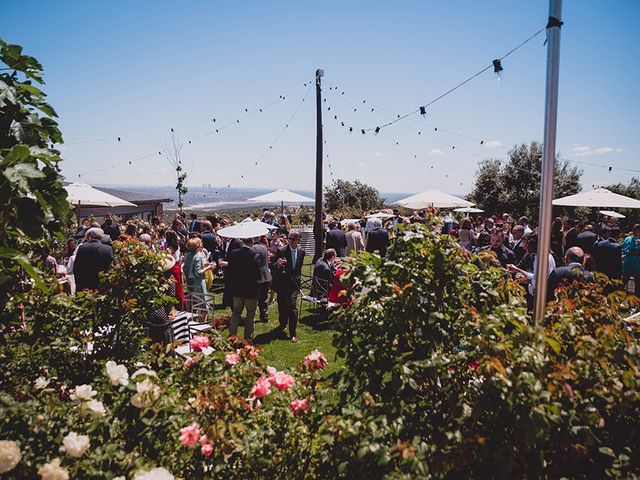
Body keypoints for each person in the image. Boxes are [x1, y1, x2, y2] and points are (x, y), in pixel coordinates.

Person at [271, 231, 305, 342]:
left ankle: (293, 333)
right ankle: (283, 322)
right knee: (282, 305)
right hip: (282, 283)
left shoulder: (301, 252)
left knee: (292, 307)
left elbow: (298, 269)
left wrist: (298, 281)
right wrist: (278, 264)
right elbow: (273, 265)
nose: (290, 241)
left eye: (293, 239)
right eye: (289, 238)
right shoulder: (281, 251)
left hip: (294, 284)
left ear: (298, 240)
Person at [226, 237, 260, 341]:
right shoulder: (255, 255)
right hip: (250, 290)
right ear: (252, 241)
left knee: (236, 313)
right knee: (250, 315)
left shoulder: (234, 253)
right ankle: (248, 338)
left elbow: (229, 270)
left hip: (237, 289)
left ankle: (232, 336)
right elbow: (258, 275)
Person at [183, 237, 214, 321]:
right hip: (199, 284)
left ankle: (191, 324)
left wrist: (204, 265)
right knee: (204, 307)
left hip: (190, 283)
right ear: (197, 245)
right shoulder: (198, 256)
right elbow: (198, 273)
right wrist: (208, 268)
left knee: (192, 306)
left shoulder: (188, 255)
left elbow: (186, 268)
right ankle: (201, 328)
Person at [252, 237, 272, 323]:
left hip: (255, 275)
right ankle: (264, 315)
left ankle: (252, 316)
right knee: (264, 297)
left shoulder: (251, 249)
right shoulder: (264, 247)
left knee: (254, 297)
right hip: (266, 274)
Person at [622, 224, 640, 295]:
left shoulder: (628, 238)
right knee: (625, 279)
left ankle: (636, 297)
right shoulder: (628, 239)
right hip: (631, 261)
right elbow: (625, 248)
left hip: (634, 261)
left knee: (637, 281)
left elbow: (624, 249)